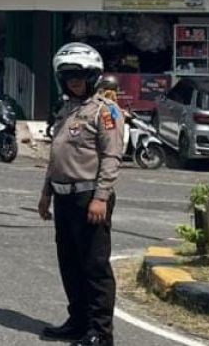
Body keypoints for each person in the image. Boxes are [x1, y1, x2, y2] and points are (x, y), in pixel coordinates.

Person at [37, 42, 124, 346]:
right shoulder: (66, 110)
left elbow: (112, 157)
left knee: (94, 266)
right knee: (70, 263)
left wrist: (101, 197)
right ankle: (78, 322)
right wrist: (46, 194)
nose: (75, 80)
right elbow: (55, 157)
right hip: (63, 197)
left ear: (93, 77)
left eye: (81, 75)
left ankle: (100, 332)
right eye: (69, 75)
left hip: (89, 198)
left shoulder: (105, 110)